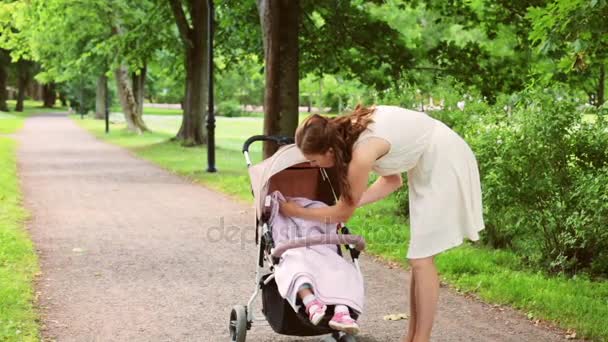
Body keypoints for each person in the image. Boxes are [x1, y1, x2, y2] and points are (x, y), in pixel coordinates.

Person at [279, 104, 484, 342]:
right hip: (426, 160)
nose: (313, 165)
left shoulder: (361, 155)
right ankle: (412, 337)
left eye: (313, 160)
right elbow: (392, 180)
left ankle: (421, 339)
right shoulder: (349, 133)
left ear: (329, 152)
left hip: (443, 158)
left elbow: (342, 214)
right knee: (418, 257)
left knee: (422, 259)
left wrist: (298, 211)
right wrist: (349, 205)